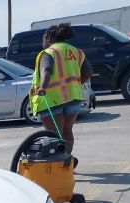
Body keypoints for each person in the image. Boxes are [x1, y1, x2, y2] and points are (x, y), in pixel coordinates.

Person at [30, 23, 93, 154]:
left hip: (53, 99)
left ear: (48, 38)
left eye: (43, 38)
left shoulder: (49, 53)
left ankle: (58, 165)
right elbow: (88, 72)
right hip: (74, 98)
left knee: (53, 136)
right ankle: (67, 163)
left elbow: (46, 70)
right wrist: (76, 84)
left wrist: (43, 87)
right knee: (67, 131)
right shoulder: (76, 51)